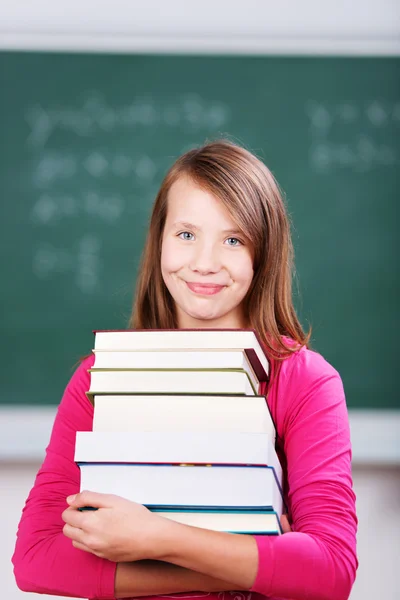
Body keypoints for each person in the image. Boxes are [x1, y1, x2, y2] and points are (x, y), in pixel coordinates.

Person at [12, 140, 358, 600]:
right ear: (159, 240)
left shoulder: (306, 382)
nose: (205, 263)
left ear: (263, 254)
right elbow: (35, 560)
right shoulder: (101, 377)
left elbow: (331, 569)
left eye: (233, 240)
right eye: (186, 235)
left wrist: (155, 538)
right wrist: (257, 560)